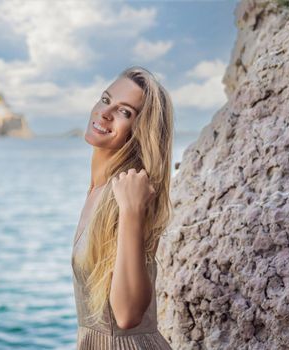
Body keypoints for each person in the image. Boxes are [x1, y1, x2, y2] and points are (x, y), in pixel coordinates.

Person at [71, 66, 174, 349]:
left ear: (141, 130)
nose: (105, 113)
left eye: (124, 112)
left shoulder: (126, 194)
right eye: (105, 100)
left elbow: (128, 315)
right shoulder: (97, 191)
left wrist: (131, 212)